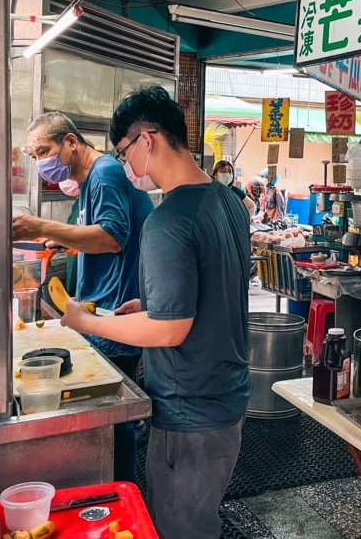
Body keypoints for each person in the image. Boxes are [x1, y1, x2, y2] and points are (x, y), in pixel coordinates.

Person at [60, 86, 251, 539]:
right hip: (227, 399)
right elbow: (215, 286)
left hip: (189, 413)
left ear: (147, 140)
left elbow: (169, 330)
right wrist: (149, 304)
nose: (125, 166)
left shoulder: (168, 221)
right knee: (202, 520)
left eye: (124, 152)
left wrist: (88, 322)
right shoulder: (227, 202)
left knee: (179, 528)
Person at [11, 112, 153, 481]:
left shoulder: (104, 174)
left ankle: (122, 488)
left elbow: (111, 237)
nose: (40, 161)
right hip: (100, 308)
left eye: (44, 150)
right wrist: (64, 238)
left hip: (113, 310)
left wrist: (40, 225)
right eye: (33, 155)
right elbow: (98, 232)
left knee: (114, 415)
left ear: (71, 142)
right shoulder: (91, 179)